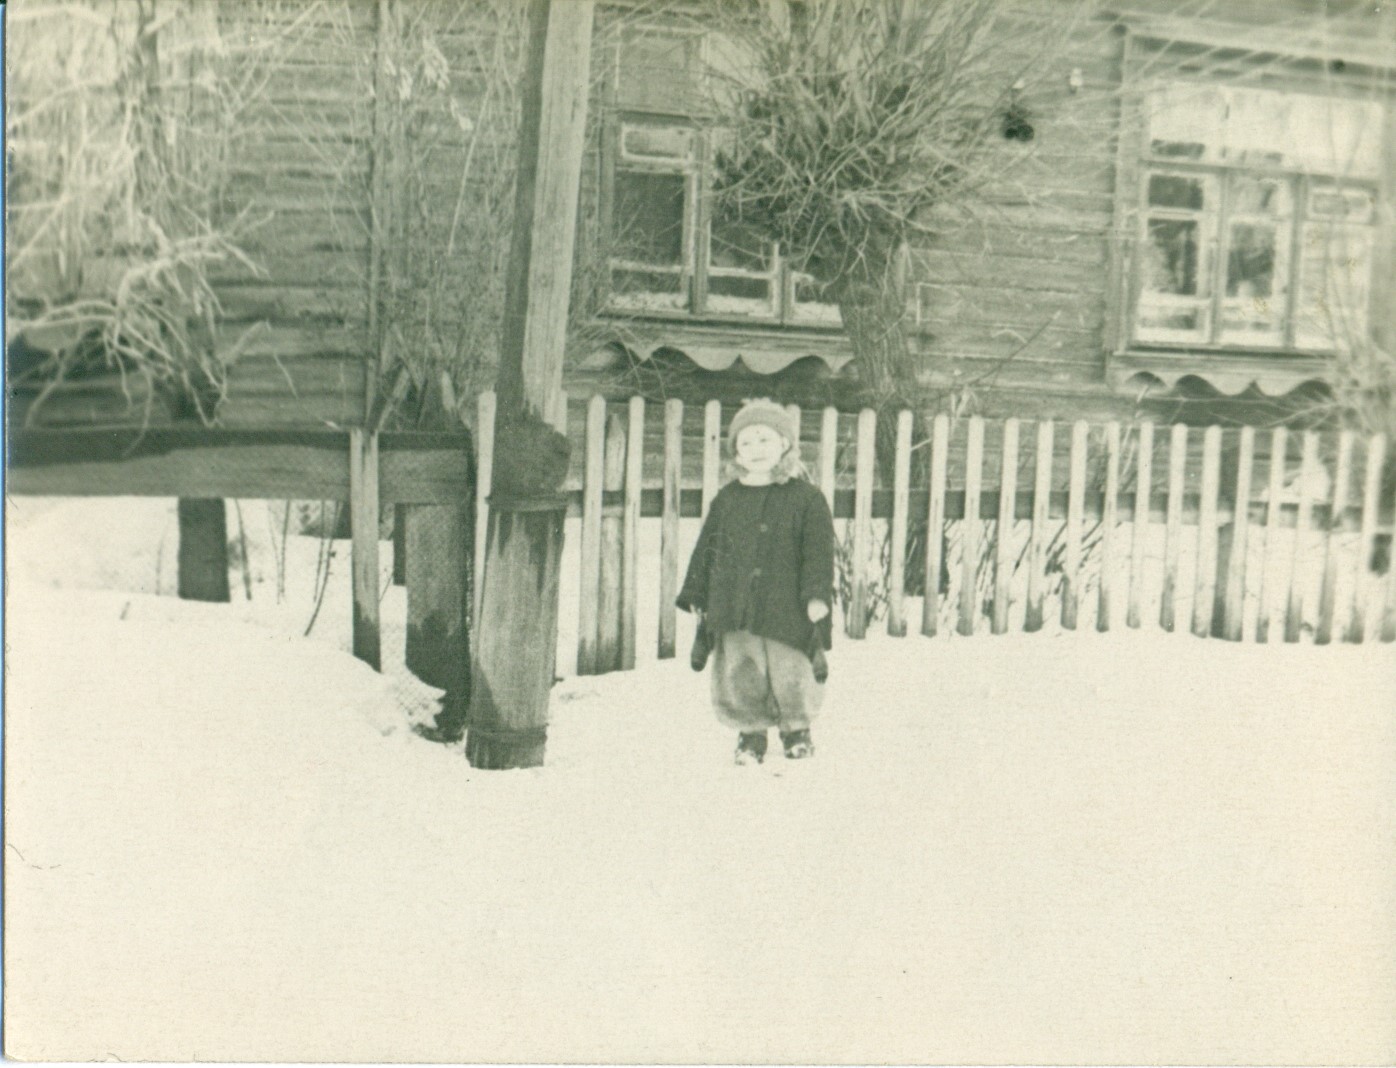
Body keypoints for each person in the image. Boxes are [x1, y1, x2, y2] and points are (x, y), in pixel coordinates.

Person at [677, 399, 836, 766]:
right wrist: (697, 593)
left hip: (787, 605)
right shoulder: (727, 499)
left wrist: (816, 595)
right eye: (745, 442)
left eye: (765, 439)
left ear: (785, 444)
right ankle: (750, 733)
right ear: (736, 452)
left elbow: (818, 551)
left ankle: (797, 730)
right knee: (740, 668)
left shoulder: (807, 499)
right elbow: (707, 548)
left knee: (791, 668)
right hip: (735, 604)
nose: (756, 449)